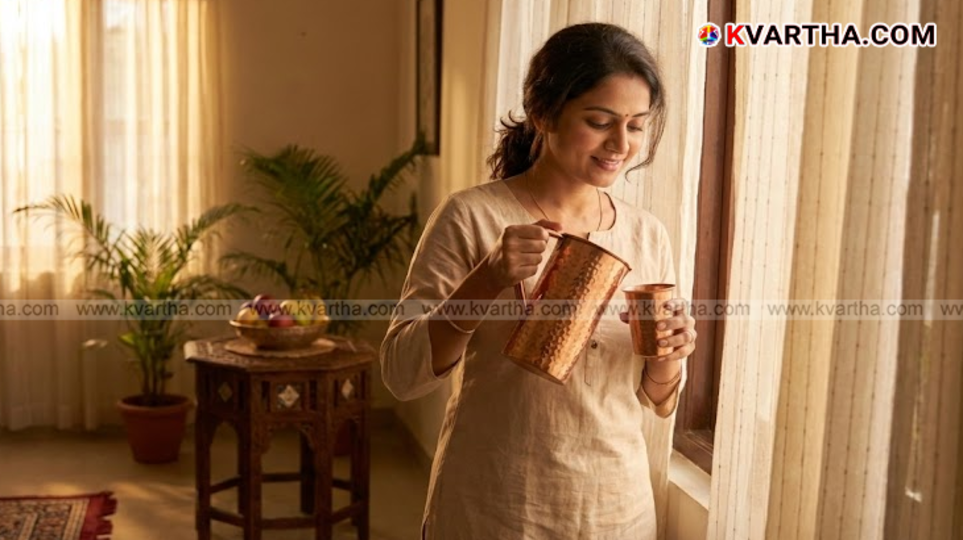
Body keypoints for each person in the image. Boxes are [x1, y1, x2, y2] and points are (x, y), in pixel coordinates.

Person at [380, 22, 697, 540]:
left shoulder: (647, 235)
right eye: (599, 121)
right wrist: (486, 280)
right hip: (495, 505)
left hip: (616, 509)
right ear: (543, 113)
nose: (621, 143)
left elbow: (656, 401)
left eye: (637, 125)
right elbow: (402, 373)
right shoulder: (472, 217)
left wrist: (668, 357)